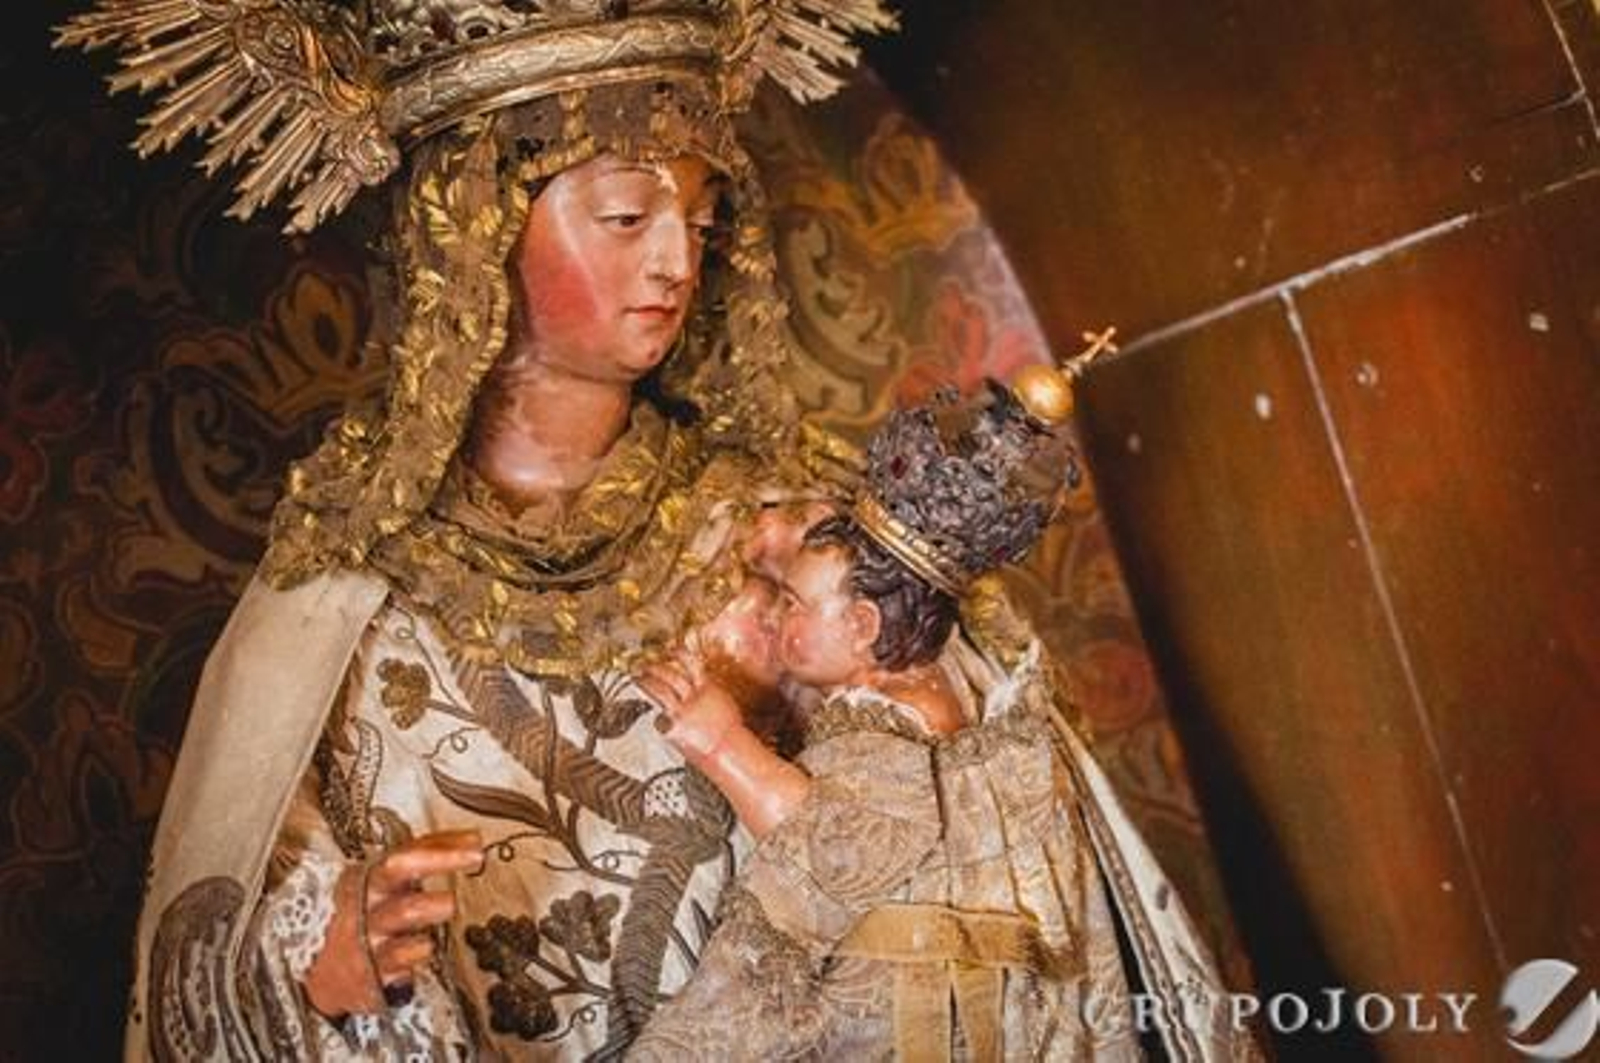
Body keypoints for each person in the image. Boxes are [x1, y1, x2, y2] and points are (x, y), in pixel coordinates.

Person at [55, 2, 898, 1058]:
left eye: (704, 217)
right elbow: (220, 947)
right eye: (629, 217)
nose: (680, 260)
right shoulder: (338, 596)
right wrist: (323, 955)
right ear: (476, 228)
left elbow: (957, 842)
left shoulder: (788, 542)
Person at [633, 377, 1261, 1060]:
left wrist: (721, 741)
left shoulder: (888, 723)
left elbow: (839, 849)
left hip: (912, 1011)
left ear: (863, 625)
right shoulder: (958, 705)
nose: (776, 616)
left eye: (793, 602)